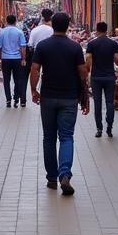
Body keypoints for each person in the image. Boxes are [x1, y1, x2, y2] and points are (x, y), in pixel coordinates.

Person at [30, 11, 89, 196]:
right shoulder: (74, 47)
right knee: (66, 137)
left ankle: (51, 178)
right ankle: (65, 174)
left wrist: (33, 89)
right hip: (69, 98)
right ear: (68, 25)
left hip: (48, 97)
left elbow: (35, 69)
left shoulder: (43, 46)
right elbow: (82, 73)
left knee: (48, 138)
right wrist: (84, 95)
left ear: (52, 25)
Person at [85, 21, 118, 138]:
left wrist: (89, 72)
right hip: (110, 77)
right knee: (110, 102)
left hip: (96, 77)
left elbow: (88, 59)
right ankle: (109, 128)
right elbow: (117, 61)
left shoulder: (92, 44)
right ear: (107, 30)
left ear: (97, 30)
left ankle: (99, 129)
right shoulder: (113, 44)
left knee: (97, 102)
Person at [0, 14, 27, 108]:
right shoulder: (19, 32)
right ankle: (16, 98)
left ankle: (8, 100)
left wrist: (0, 57)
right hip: (17, 59)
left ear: (6, 21)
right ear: (15, 21)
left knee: (6, 80)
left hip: (5, 59)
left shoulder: (2, 32)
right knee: (18, 80)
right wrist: (23, 59)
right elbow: (23, 47)